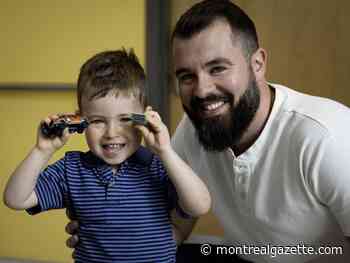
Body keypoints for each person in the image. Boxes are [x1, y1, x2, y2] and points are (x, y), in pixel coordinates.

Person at [66, 0, 350, 262]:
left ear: (258, 64)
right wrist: (110, 234)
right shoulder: (195, 128)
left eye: (217, 68)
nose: (202, 91)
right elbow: (174, 225)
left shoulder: (327, 136)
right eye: (187, 76)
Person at [3, 48, 211, 263]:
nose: (112, 133)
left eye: (124, 119)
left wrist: (165, 151)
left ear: (145, 117)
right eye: (97, 121)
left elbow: (200, 205)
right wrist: (42, 150)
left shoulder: (158, 166)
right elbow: (15, 199)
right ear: (80, 119)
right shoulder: (72, 170)